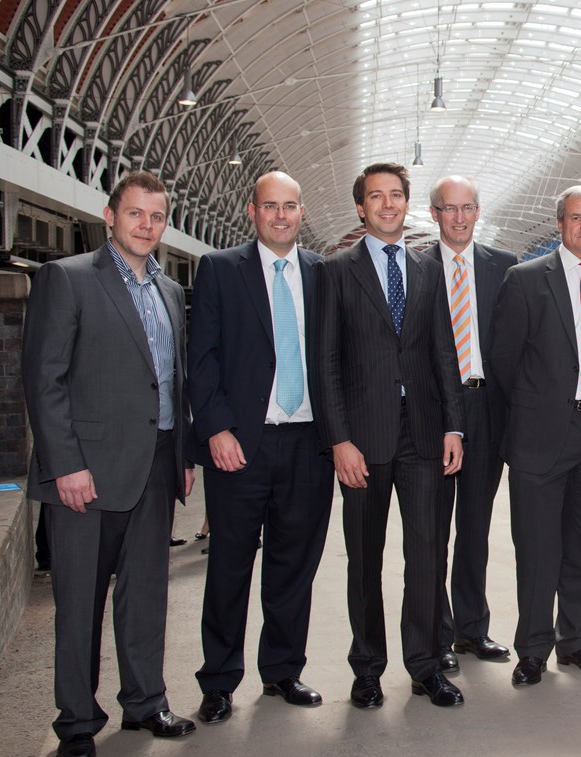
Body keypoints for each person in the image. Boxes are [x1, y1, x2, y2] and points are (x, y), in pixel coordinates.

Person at [23, 171, 196, 757]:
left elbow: (173, 381)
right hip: (86, 476)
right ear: (110, 216)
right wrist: (64, 464)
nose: (146, 226)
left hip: (154, 467)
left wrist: (183, 454)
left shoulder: (171, 291)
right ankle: (76, 723)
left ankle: (145, 702)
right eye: (135, 215)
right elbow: (43, 380)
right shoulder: (67, 279)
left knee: (147, 594)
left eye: (155, 216)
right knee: (79, 603)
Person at [313, 162, 466, 708]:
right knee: (365, 559)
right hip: (363, 442)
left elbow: (443, 353)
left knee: (427, 555)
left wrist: (454, 425)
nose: (386, 204)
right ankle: (368, 670)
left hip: (424, 436)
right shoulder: (335, 272)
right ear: (361, 207)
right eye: (375, 196)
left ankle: (425, 666)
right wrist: (339, 439)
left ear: (407, 204)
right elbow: (326, 362)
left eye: (395, 195)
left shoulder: (428, 269)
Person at [188, 171, 335, 724]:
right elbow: (200, 360)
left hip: (309, 445)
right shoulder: (220, 270)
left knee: (293, 565)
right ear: (252, 212)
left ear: (301, 213)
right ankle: (219, 680)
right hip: (240, 446)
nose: (280, 216)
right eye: (270, 206)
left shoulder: (325, 274)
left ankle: (282, 670)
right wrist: (217, 428)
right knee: (229, 567)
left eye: (290, 206)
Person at [491, 185, 581, 687]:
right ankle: (532, 648)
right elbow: (504, 362)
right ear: (560, 223)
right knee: (537, 547)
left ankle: (576, 642)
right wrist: (538, 408)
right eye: (577, 217)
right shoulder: (526, 279)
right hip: (541, 434)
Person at [425, 176, 518, 670]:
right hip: (437, 412)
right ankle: (437, 634)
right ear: (434, 214)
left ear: (478, 212)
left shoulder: (504, 267)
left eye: (467, 208)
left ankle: (471, 629)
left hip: (488, 408)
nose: (458, 217)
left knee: (475, 527)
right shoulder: (417, 267)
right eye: (449, 209)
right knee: (433, 529)